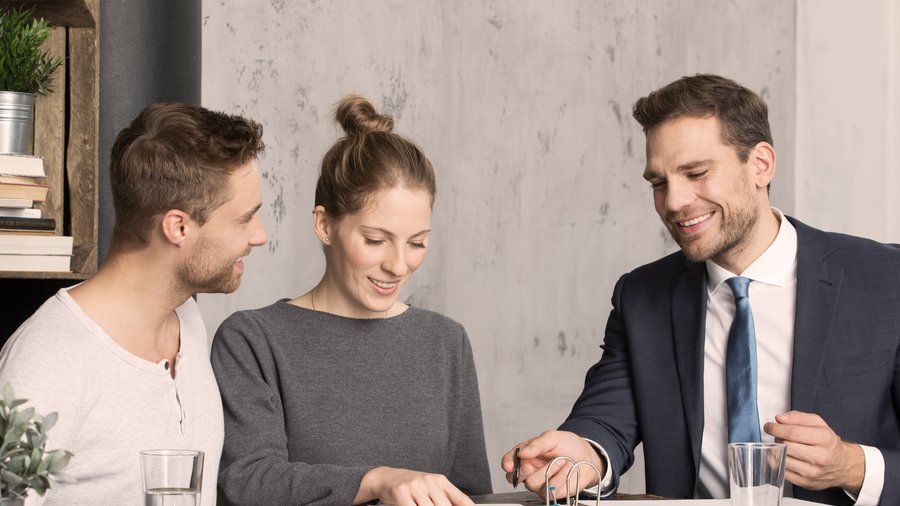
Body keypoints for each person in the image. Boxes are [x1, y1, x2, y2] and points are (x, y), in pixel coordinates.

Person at [501, 74, 900, 506]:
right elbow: (606, 422)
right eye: (659, 183)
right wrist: (583, 454)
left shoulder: (886, 280)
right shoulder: (643, 297)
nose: (673, 201)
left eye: (696, 173)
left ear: (761, 165)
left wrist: (852, 466)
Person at [211, 95, 491, 506]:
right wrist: (375, 481)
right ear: (325, 225)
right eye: (375, 240)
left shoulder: (445, 342)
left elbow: (471, 495)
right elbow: (249, 481)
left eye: (417, 243)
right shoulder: (253, 339)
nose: (398, 265)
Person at [0, 103, 268, 505]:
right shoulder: (46, 363)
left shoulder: (187, 318)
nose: (260, 236)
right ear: (178, 227)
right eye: (245, 219)